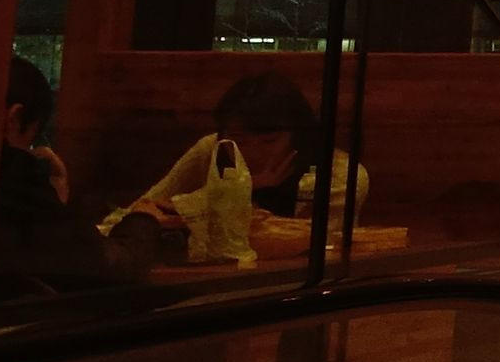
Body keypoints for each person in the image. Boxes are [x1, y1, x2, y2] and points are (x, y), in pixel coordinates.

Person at [102, 70, 362, 248]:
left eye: (269, 141)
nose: (252, 152)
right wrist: (245, 186)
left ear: (297, 136)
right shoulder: (214, 150)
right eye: (239, 139)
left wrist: (204, 208)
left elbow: (315, 246)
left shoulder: (339, 175)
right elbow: (125, 219)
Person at [0, 57, 116, 300]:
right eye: (30, 139)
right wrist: (144, 218)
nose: (29, 151)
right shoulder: (11, 176)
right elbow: (104, 268)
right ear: (14, 119)